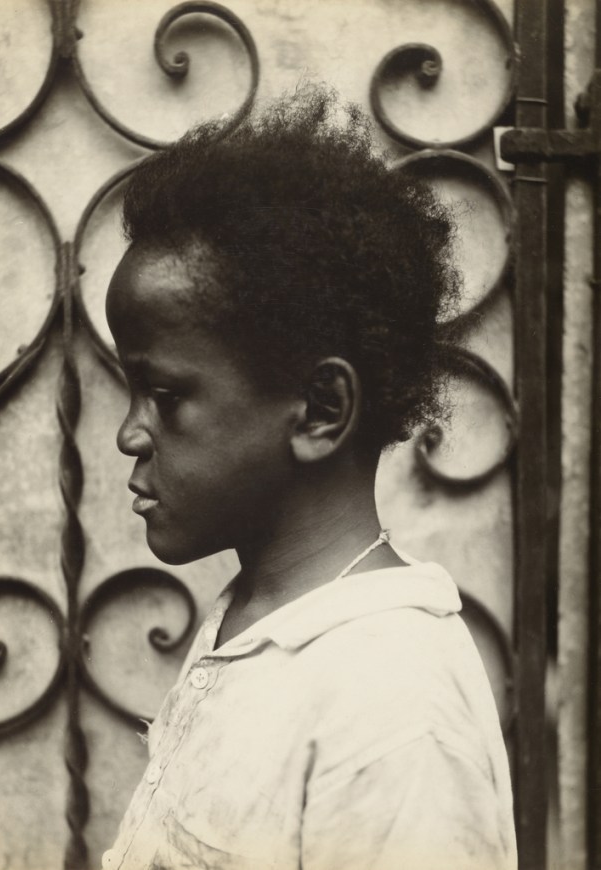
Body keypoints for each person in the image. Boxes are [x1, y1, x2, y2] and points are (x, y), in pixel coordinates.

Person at [102, 89, 516, 870]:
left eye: (165, 395)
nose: (130, 433)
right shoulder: (257, 623)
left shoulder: (394, 706)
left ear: (321, 408)